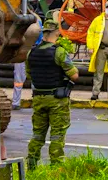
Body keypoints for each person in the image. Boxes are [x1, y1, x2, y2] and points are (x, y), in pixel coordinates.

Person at [26, 19, 79, 169]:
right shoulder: (59, 52)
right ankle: (56, 167)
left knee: (37, 134)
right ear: (57, 32)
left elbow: (29, 75)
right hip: (57, 99)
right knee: (57, 134)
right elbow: (74, 75)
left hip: (38, 98)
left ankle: (31, 164)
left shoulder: (32, 52)